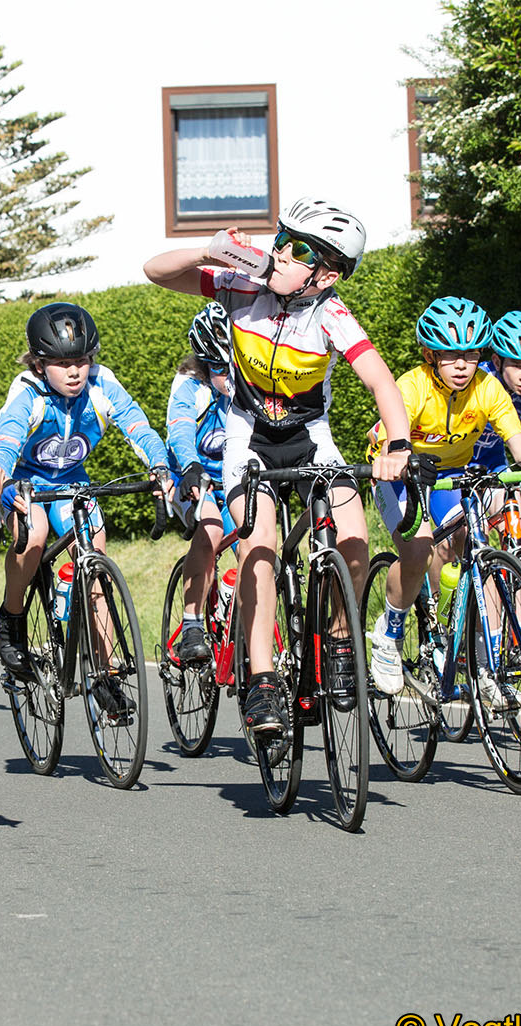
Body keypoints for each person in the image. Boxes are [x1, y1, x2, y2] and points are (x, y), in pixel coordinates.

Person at [143, 197, 414, 737]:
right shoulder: (241, 287)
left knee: (355, 537)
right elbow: (154, 272)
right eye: (281, 239)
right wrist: (208, 251)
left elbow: (382, 382)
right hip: (249, 442)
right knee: (257, 544)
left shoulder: (332, 314)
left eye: (299, 250)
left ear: (327, 274)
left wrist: (399, 446)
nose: (281, 253)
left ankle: (340, 637)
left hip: (312, 441)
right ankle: (263, 680)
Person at [0, 302, 174, 724]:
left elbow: (137, 426)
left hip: (73, 480)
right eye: (60, 363)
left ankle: (105, 675)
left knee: (95, 565)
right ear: (39, 364)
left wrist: (159, 466)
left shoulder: (102, 384)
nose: (74, 372)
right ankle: (12, 617)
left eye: (81, 361)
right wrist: (4, 483)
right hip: (27, 482)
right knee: (33, 537)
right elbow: (8, 436)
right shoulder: (28, 390)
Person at [364, 298, 521, 697]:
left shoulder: (487, 388)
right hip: (400, 473)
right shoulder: (412, 385)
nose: (463, 365)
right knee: (417, 552)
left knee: (474, 542)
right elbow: (387, 442)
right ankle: (390, 630)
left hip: (450, 476)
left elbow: (517, 442)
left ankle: (463, 639)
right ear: (430, 356)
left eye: (470, 354)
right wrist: (399, 460)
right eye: (451, 356)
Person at [167, 302, 236, 664]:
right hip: (191, 476)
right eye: (222, 370)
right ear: (205, 365)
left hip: (236, 478)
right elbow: (179, 429)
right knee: (209, 528)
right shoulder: (191, 387)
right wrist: (191, 465)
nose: (232, 379)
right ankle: (192, 623)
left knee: (257, 546)